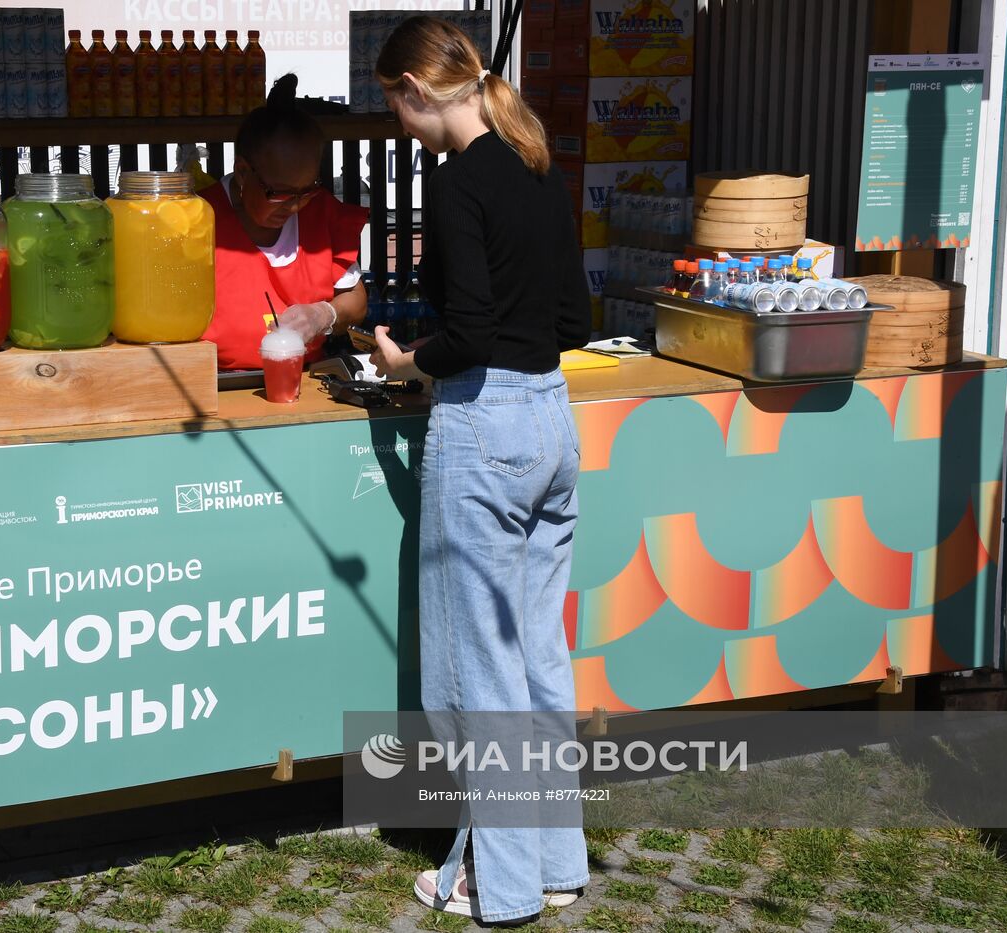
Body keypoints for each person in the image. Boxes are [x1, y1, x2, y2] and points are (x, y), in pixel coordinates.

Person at [367, 15, 591, 926]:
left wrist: (404, 361)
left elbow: (465, 331)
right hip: (552, 419)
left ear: (417, 92)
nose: (398, 127)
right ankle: (554, 864)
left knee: (473, 676)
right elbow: (572, 320)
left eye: (394, 107)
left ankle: (493, 885)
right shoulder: (538, 169)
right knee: (538, 659)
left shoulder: (458, 184)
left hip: (485, 425)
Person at [200, 77, 370, 370]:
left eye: (306, 190)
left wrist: (323, 314)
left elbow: (356, 299)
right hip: (214, 384)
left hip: (302, 380)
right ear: (242, 172)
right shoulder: (196, 218)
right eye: (278, 193)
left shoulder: (321, 212)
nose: (295, 205)